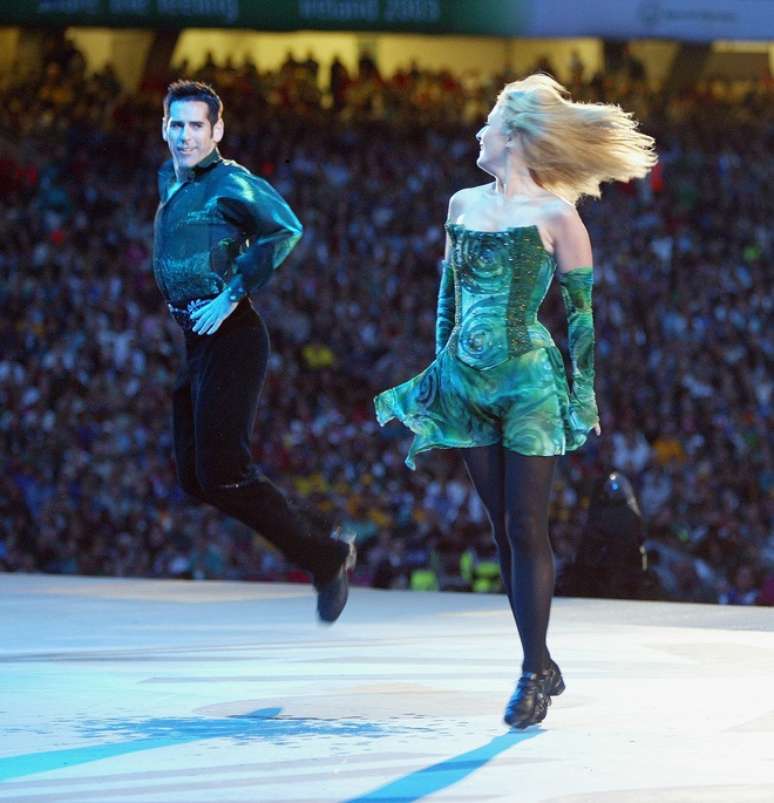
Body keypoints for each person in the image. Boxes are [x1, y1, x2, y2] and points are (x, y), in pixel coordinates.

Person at [375, 74, 655, 727]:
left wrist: (584, 397)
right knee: (503, 527)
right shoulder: (461, 204)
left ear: (515, 136)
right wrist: (440, 370)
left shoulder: (559, 217)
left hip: (529, 384)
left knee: (527, 525)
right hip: (467, 383)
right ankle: (541, 657)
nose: (479, 132)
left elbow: (581, 319)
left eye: (489, 122)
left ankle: (531, 674)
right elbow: (447, 299)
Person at [153, 80, 355, 623]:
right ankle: (319, 531)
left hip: (233, 336)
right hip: (196, 343)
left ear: (217, 130)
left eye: (197, 126)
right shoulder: (168, 178)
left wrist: (232, 292)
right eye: (177, 124)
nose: (185, 136)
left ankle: (325, 557)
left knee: (223, 471)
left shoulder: (232, 182)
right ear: (164, 127)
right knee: (196, 477)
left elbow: (285, 228)